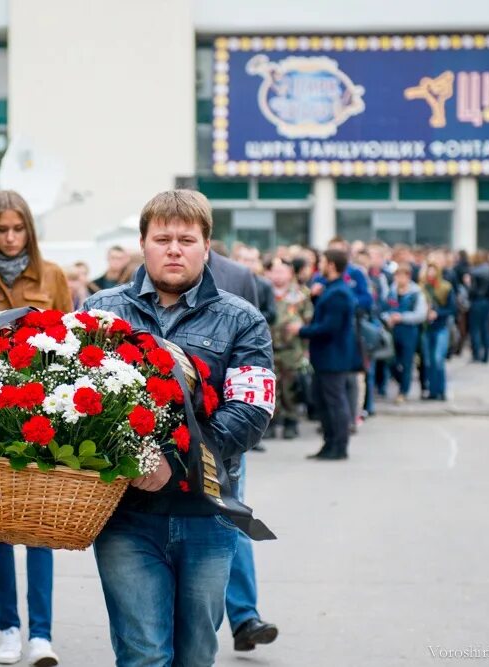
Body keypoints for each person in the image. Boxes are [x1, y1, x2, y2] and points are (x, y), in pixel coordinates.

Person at [84, 189, 274, 666]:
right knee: (143, 653)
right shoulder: (100, 312)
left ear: (206, 246)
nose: (174, 249)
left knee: (195, 653)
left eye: (186, 239)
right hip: (125, 515)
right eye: (162, 238)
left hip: (206, 513)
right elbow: (69, 402)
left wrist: (174, 463)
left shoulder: (242, 319)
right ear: (142, 244)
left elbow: (251, 411)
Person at [0, 190, 67, 666]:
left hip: (45, 414)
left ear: (30, 229)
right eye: (2, 230)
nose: (11, 239)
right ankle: (8, 628)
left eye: (18, 229)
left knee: (42, 527)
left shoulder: (51, 275)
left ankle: (42, 634)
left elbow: (74, 341)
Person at [208, 243, 277, 654]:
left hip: (226, 425)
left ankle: (244, 615)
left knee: (232, 512)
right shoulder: (146, 270)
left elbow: (253, 349)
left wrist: (243, 417)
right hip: (166, 430)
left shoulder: (237, 276)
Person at [298, 249, 359, 461]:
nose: (319, 265)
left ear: (331, 265)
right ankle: (329, 443)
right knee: (323, 402)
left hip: (333, 357)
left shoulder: (339, 292)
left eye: (323, 261)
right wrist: (315, 299)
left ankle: (339, 446)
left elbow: (329, 327)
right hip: (325, 356)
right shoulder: (330, 289)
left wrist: (301, 330)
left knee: (334, 402)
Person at [266, 257, 312, 439]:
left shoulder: (300, 294)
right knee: (271, 387)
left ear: (290, 273)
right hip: (269, 347)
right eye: (275, 271)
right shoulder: (265, 291)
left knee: (291, 387)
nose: (278, 275)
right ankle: (270, 422)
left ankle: (291, 421)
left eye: (282, 271)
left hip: (292, 349)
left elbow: (308, 318)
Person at [382, 264, 428, 403]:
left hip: (410, 331)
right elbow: (383, 309)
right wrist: (388, 318)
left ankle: (403, 391)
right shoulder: (391, 292)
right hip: (393, 330)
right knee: (391, 360)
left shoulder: (416, 293)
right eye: (397, 276)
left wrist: (402, 317)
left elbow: (421, 314)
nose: (399, 279)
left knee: (407, 362)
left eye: (402, 276)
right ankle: (401, 380)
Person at [420, 262, 455, 401]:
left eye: (433, 271)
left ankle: (441, 390)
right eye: (428, 271)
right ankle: (432, 390)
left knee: (438, 359)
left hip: (441, 327)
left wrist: (438, 313)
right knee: (428, 361)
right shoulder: (421, 288)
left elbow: (452, 308)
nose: (430, 274)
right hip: (426, 328)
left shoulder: (446, 288)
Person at [467, 252, 489, 364]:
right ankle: (486, 354)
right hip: (487, 301)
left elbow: (472, 289)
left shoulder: (474, 272)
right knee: (485, 327)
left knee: (475, 328)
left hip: (476, 301)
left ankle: (477, 354)